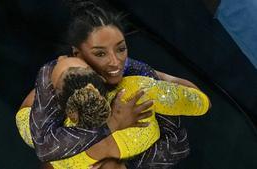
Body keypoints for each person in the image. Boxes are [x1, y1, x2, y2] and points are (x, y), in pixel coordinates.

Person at [18, 1, 207, 168]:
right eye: (100, 53)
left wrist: (156, 75)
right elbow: (46, 149)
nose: (115, 62)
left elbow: (178, 143)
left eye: (121, 49)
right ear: (78, 54)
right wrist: (112, 129)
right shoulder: (58, 74)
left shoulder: (135, 72)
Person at [16, 57, 209, 168]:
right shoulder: (136, 93)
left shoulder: (38, 133)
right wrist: (143, 73)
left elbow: (200, 102)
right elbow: (200, 101)